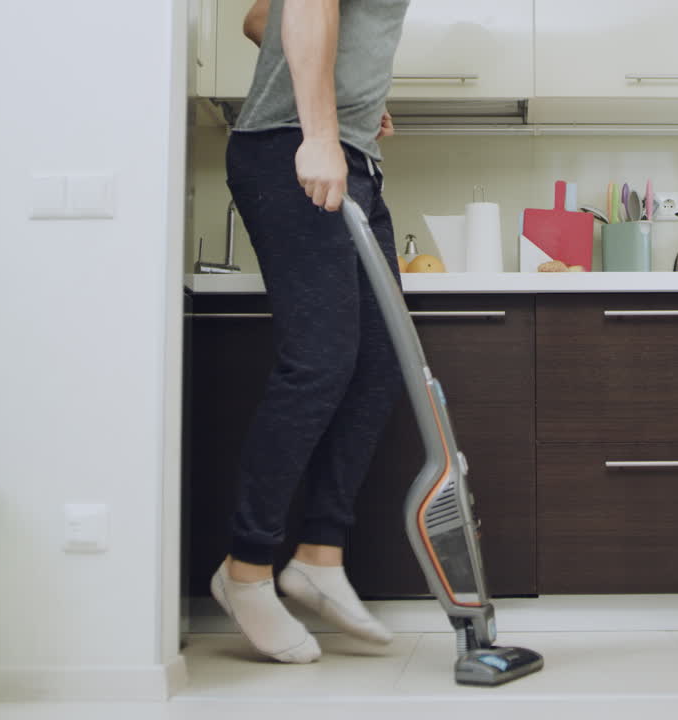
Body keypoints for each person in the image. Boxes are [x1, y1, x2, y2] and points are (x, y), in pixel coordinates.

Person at [211, 0, 412, 664]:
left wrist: (342, 97)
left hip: (349, 154)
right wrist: (319, 128)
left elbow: (259, 18)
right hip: (289, 147)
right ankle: (245, 571)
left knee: (382, 364)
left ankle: (319, 558)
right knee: (320, 363)